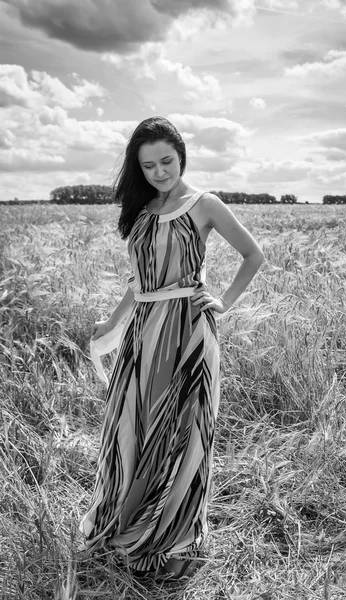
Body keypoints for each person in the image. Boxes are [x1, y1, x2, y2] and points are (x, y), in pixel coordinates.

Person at [79, 116, 264, 580]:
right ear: (137, 169)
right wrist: (114, 320)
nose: (159, 172)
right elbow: (140, 281)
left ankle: (177, 538)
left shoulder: (204, 204)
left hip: (186, 332)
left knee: (183, 435)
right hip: (143, 333)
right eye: (148, 166)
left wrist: (223, 301)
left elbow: (253, 255)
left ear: (181, 155)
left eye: (166, 161)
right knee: (132, 425)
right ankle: (130, 523)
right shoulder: (143, 211)